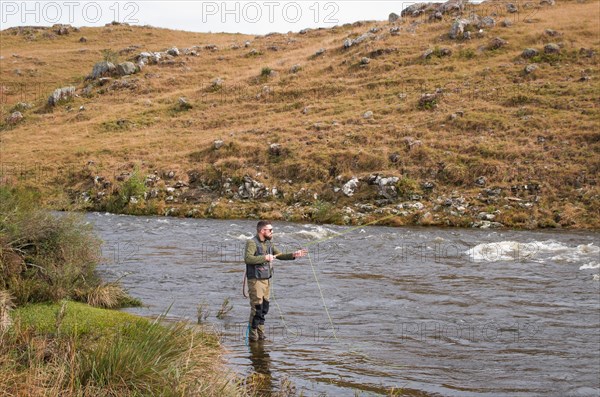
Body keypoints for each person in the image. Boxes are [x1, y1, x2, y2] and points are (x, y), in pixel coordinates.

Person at [244, 220, 307, 342]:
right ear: (263, 231)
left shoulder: (269, 244)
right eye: (270, 230)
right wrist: (264, 257)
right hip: (255, 281)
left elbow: (280, 255)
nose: (272, 232)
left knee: (264, 308)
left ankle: (261, 335)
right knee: (257, 309)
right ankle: (252, 337)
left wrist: (294, 255)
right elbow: (247, 258)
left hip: (266, 280)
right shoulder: (251, 242)